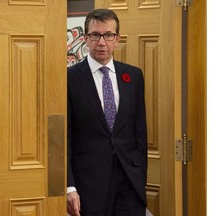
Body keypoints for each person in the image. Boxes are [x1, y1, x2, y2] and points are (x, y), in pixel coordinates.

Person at [67, 8, 148, 216]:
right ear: (86, 38)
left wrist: (140, 175)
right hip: (89, 184)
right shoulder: (70, 78)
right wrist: (70, 186)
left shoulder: (133, 76)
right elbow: (65, 137)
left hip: (129, 181)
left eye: (108, 35)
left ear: (117, 38)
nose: (101, 42)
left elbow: (139, 131)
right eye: (95, 35)